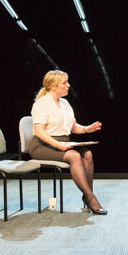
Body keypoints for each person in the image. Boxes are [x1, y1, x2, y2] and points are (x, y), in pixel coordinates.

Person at [28, 70, 106, 215]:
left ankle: (87, 195)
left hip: (63, 142)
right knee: (74, 156)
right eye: (64, 83)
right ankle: (90, 197)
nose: (68, 85)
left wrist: (88, 129)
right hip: (42, 145)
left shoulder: (65, 103)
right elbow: (39, 132)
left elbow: (74, 127)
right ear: (53, 86)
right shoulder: (42, 103)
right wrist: (58, 145)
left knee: (87, 154)